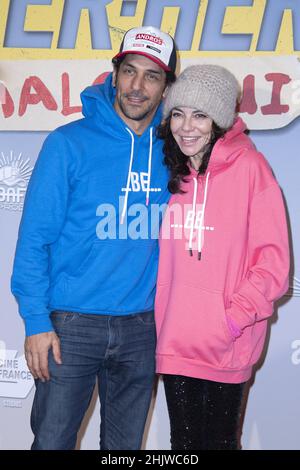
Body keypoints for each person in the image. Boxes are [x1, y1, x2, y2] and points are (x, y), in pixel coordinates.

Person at [11, 26, 177, 450]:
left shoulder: (175, 150)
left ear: (166, 89)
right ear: (115, 74)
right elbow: (33, 241)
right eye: (129, 72)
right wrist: (35, 321)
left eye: (152, 76)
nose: (137, 87)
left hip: (142, 326)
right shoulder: (68, 143)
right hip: (70, 325)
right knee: (52, 443)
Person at [155, 64, 290, 450]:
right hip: (176, 342)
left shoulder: (251, 169)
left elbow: (274, 264)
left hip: (227, 343)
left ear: (220, 120)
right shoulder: (175, 174)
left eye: (200, 115)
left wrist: (231, 320)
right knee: (182, 445)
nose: (186, 126)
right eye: (178, 114)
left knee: (219, 444)